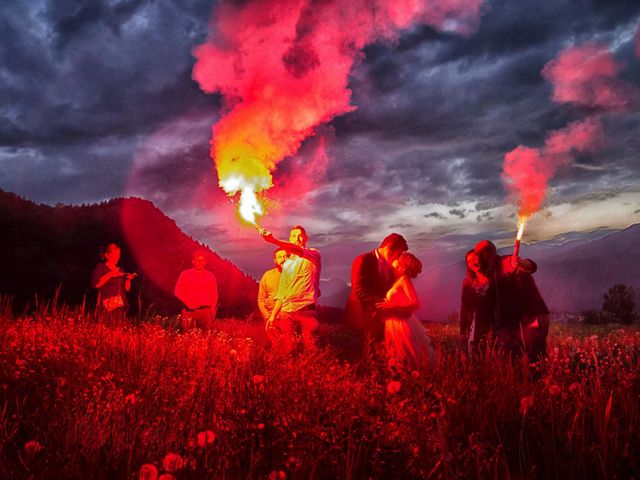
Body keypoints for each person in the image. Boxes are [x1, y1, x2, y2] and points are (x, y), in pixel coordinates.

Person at [474, 240, 550, 362]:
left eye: (478, 255)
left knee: (535, 361)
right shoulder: (491, 274)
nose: (476, 260)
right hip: (516, 323)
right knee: (513, 359)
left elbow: (530, 266)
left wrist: (522, 264)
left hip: (532, 319)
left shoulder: (506, 262)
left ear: (485, 255)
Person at [258, 225, 321, 354]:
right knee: (287, 349)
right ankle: (287, 372)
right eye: (293, 236)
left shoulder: (314, 254)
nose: (297, 238)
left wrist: (273, 240)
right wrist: (273, 316)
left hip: (306, 310)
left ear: (305, 238)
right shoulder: (287, 264)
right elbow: (281, 293)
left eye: (300, 235)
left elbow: (297, 250)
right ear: (290, 239)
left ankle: (313, 372)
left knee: (311, 348)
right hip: (287, 312)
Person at [345, 233, 409, 342]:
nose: (398, 258)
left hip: (382, 321)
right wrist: (385, 304)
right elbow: (359, 290)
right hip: (361, 317)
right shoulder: (363, 260)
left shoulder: (393, 266)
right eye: (398, 254)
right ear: (389, 248)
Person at [377, 252, 434, 370]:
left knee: (404, 357)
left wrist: (391, 305)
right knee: (397, 358)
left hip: (401, 324)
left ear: (402, 264)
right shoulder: (399, 280)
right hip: (393, 323)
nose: (394, 260)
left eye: (397, 258)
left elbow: (415, 303)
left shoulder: (404, 279)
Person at [459, 249, 495, 358]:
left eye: (475, 259)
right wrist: (462, 331)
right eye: (469, 261)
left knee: (494, 352)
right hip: (474, 324)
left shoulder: (494, 279)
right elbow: (464, 307)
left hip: (493, 323)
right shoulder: (468, 283)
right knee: (475, 353)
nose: (473, 263)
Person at [92, 243, 137, 323]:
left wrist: (128, 279)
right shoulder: (101, 267)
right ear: (107, 255)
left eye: (118, 254)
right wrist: (111, 274)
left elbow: (126, 289)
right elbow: (96, 284)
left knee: (118, 330)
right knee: (107, 328)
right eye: (115, 254)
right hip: (107, 306)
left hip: (120, 306)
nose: (118, 257)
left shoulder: (120, 270)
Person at [174, 250, 219, 331]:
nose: (200, 262)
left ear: (206, 262)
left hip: (206, 312)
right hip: (189, 312)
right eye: (198, 260)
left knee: (205, 338)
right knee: (188, 336)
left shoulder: (210, 276)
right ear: (193, 262)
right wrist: (188, 303)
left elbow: (214, 295)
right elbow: (177, 291)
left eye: (203, 260)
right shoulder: (185, 274)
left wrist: (212, 310)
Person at [257, 248, 288, 322]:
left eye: (285, 256)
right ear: (275, 260)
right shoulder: (267, 275)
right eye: (280, 257)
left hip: (289, 320)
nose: (283, 259)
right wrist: (267, 317)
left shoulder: (295, 275)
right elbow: (260, 300)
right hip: (271, 320)